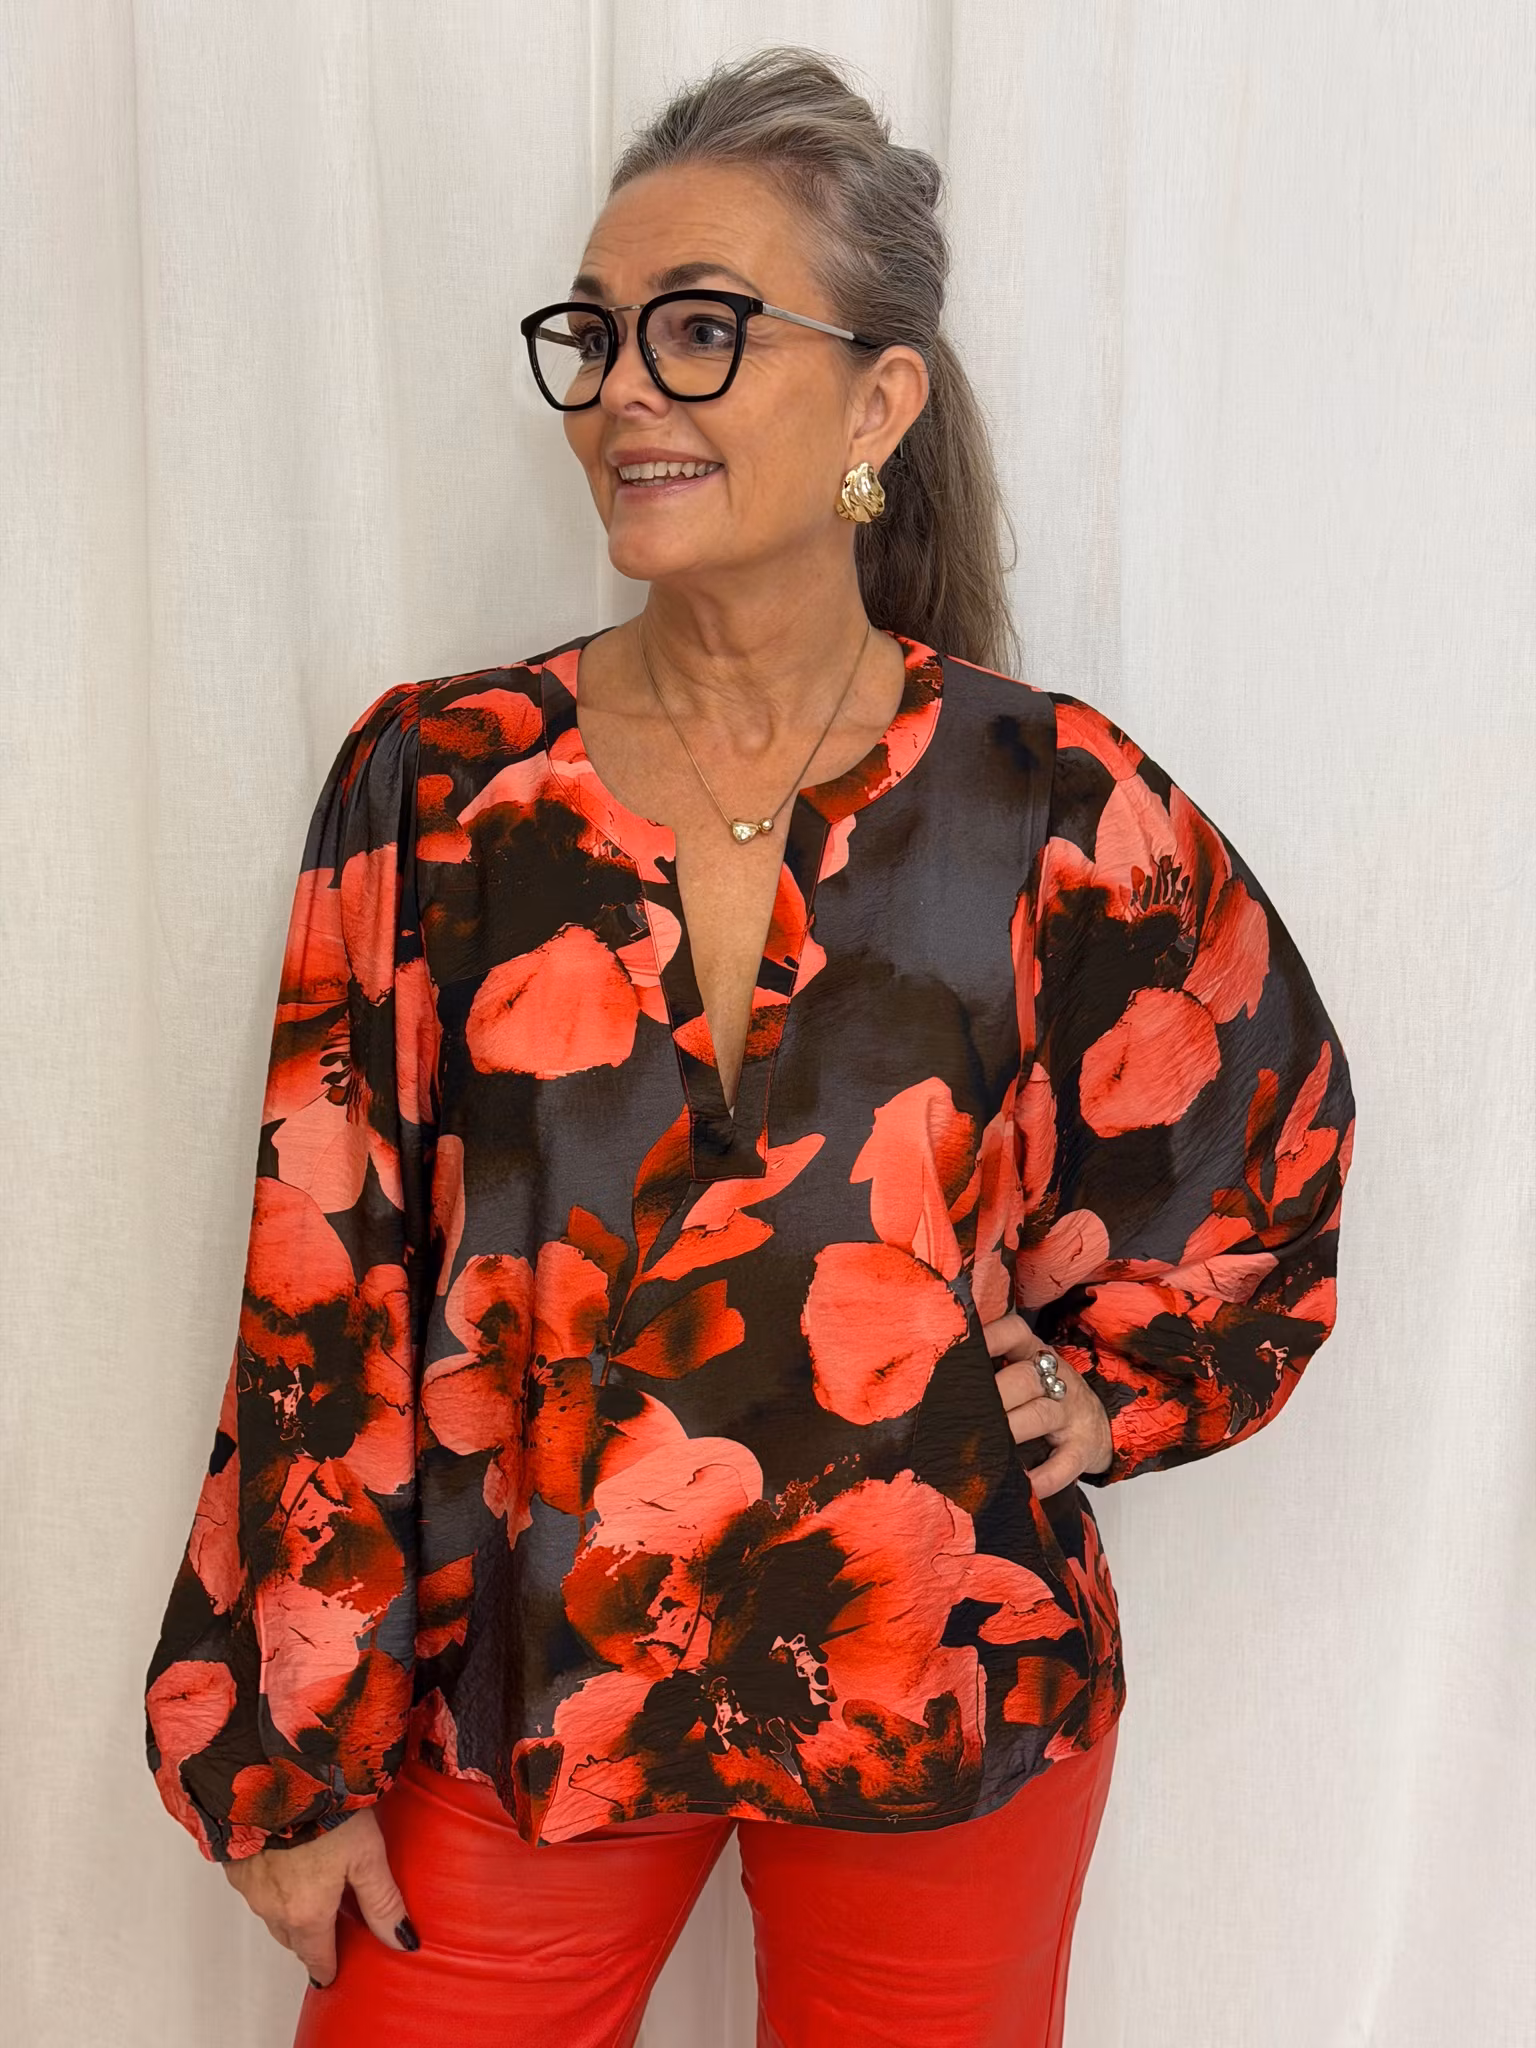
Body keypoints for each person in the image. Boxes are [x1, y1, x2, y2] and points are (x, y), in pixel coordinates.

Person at [144, 44, 1356, 2048]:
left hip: (941, 1684)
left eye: (701, 330)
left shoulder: (1054, 801)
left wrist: (1107, 1397)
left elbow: (1259, 1151)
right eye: (596, 336)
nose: (625, 390)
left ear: (879, 402)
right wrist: (290, 1738)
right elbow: (320, 1278)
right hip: (517, 1682)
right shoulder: (438, 785)